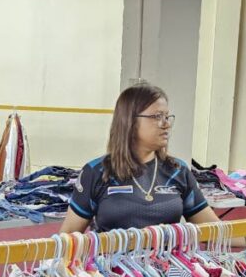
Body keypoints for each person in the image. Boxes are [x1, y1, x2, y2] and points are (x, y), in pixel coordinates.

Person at [60, 83, 227, 235]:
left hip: (165, 266)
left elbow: (214, 229)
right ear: (129, 121)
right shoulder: (96, 172)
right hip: (110, 266)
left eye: (167, 116)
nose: (166, 124)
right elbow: (68, 237)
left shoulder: (178, 171)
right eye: (157, 116)